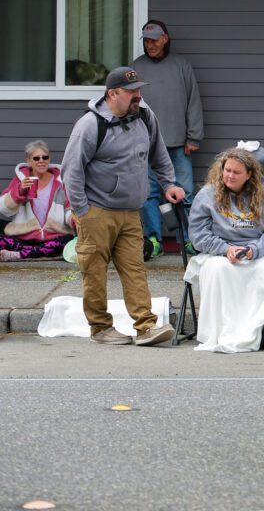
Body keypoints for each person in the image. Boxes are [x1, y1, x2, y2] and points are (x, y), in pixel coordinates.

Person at [61, 66, 185, 345]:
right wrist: (82, 211)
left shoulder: (144, 116)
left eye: (138, 90)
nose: (138, 96)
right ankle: (101, 328)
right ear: (112, 94)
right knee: (94, 272)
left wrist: (169, 184)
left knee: (135, 269)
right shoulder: (90, 125)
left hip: (131, 211)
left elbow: (159, 153)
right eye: (131, 92)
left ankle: (146, 327)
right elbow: (71, 171)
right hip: (96, 211)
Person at [187, 145, 264, 352]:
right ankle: (226, 330)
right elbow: (198, 234)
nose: (229, 176)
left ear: (249, 175)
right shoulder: (207, 194)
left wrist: (254, 250)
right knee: (219, 269)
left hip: (257, 248)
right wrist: (225, 249)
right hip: (219, 250)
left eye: (236, 172)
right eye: (227, 170)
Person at [133, 19, 204, 257]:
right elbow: (127, 106)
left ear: (165, 39)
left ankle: (189, 239)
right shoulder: (136, 69)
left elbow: (193, 102)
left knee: (185, 192)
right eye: (146, 41)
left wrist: (193, 137)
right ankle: (154, 240)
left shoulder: (181, 66)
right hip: (146, 146)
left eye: (154, 40)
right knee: (148, 194)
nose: (150, 45)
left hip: (178, 144)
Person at [0, 140, 74, 261]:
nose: (41, 161)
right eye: (36, 158)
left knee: (67, 240)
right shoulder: (21, 180)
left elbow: (68, 209)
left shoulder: (60, 182)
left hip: (53, 237)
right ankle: (34, 253)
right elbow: (4, 209)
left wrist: (74, 221)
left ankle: (18, 255)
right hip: (25, 237)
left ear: (49, 159)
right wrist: (19, 191)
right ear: (28, 161)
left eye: (45, 157)